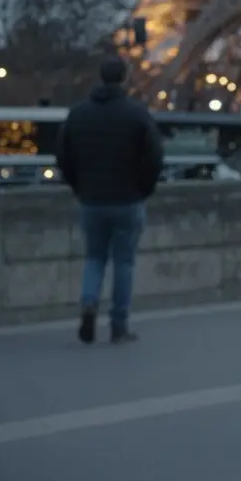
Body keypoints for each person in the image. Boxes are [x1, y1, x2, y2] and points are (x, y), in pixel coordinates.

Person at [56, 55, 164, 345]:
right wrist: (143, 189)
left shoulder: (78, 114)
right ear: (125, 78)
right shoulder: (137, 114)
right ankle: (118, 325)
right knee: (124, 263)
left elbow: (63, 155)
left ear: (100, 77)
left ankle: (89, 302)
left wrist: (78, 186)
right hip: (128, 199)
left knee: (94, 258)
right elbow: (154, 157)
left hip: (91, 199)